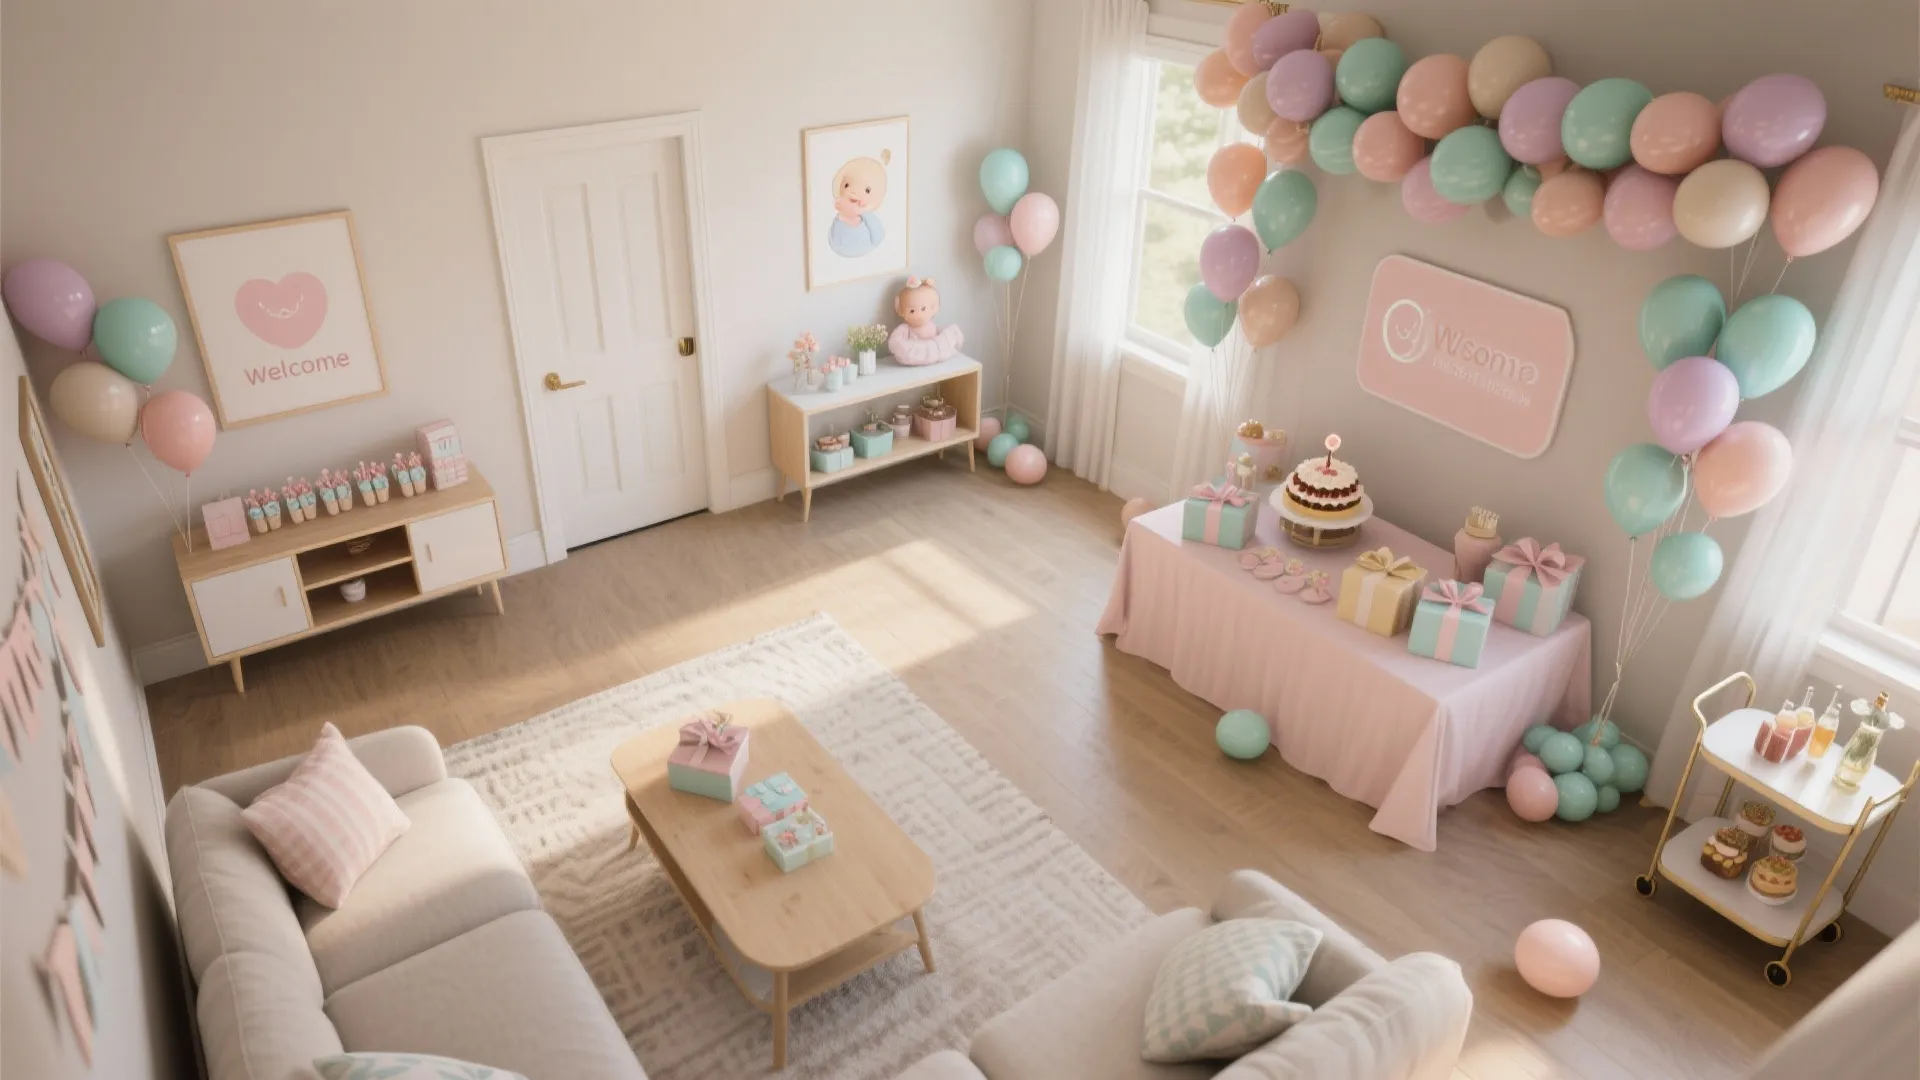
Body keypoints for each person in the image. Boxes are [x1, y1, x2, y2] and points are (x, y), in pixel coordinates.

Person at [827, 156, 888, 258]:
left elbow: (879, 235)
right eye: (847, 185)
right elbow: (834, 242)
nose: (854, 192)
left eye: (867, 191)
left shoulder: (869, 219)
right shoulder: (838, 221)